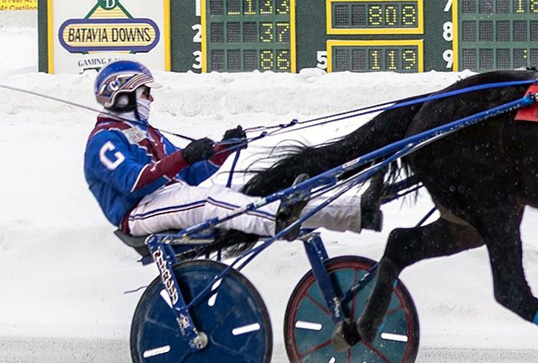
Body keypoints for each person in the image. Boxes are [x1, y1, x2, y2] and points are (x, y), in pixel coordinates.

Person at [84, 60, 382, 240]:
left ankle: (356, 213)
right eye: (145, 92)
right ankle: (276, 219)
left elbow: (189, 174)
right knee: (212, 199)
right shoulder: (104, 140)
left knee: (262, 191)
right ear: (121, 95)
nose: (151, 99)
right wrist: (183, 156)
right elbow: (133, 182)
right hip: (139, 211)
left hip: (169, 198)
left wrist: (221, 150)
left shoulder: (149, 133)